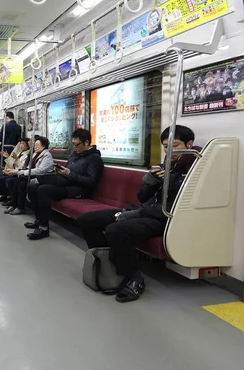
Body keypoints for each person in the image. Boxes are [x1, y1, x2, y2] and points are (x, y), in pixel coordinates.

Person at [77, 125, 200, 303]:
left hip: (166, 218)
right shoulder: (166, 165)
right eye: (166, 146)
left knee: (116, 230)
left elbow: (180, 203)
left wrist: (166, 181)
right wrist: (150, 182)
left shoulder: (195, 168)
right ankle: (112, 263)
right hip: (146, 211)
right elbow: (142, 197)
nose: (169, 150)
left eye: (176, 144)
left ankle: (134, 278)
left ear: (190, 144)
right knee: (86, 220)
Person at [25, 129, 104, 240]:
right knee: (32, 187)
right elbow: (68, 171)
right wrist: (61, 171)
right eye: (73, 145)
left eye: (77, 145)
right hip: (66, 183)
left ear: (86, 143)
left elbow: (90, 182)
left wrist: (70, 173)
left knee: (43, 189)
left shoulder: (95, 159)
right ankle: (39, 220)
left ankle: (44, 228)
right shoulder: (75, 155)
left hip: (78, 190)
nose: (74, 148)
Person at [4, 136, 54, 215]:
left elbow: (40, 170)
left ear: (43, 146)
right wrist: (16, 171)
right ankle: (15, 205)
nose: (35, 146)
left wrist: (24, 172)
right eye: (35, 145)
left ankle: (20, 207)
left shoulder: (47, 156)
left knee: (21, 184)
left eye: (37, 145)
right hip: (31, 175)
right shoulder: (35, 154)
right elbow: (26, 167)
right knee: (16, 182)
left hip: (40, 177)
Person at [0, 138, 30, 203]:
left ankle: (11, 198)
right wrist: (8, 157)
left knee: (7, 180)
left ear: (28, 146)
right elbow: (11, 164)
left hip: (19, 173)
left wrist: (16, 160)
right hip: (14, 171)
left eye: (23, 144)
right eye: (20, 143)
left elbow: (22, 166)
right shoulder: (19, 153)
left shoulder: (26, 155)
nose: (21, 145)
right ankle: (4, 196)